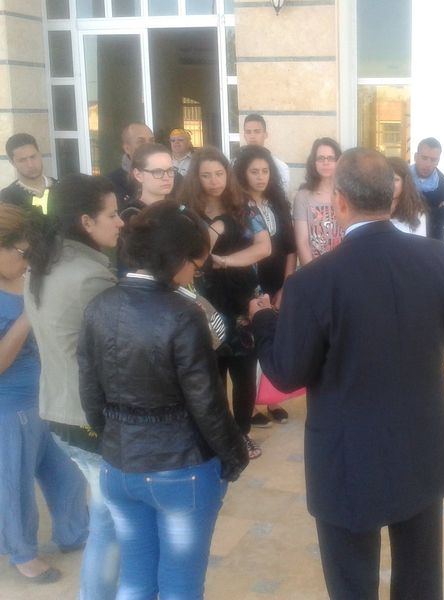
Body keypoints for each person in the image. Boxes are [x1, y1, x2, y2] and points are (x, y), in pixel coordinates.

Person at [251, 147, 444, 600]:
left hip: (348, 458)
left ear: (340, 201)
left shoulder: (312, 282)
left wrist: (263, 321)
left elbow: (287, 372)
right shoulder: (438, 255)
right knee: (420, 580)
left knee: (352, 584)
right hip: (421, 446)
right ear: (391, 197)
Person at [78, 200, 248, 600]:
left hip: (118, 466)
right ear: (176, 258)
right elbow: (206, 401)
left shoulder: (98, 306)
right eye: (195, 264)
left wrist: (115, 437)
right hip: (179, 469)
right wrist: (234, 454)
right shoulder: (183, 313)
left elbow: (90, 392)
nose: (195, 273)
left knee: (135, 580)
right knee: (180, 586)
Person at [25, 174, 124, 600]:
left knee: (105, 513)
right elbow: (120, 351)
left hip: (57, 409)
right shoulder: (88, 277)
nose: (120, 222)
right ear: (86, 221)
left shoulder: (44, 263)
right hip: (86, 416)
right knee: (109, 521)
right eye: (112, 214)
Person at [0, 204, 88, 584]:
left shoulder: (30, 276)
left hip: (50, 395)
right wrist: (27, 317)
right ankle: (22, 553)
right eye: (22, 252)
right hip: (10, 405)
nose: (27, 260)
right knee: (14, 484)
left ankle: (74, 531)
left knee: (68, 472)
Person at [179, 147, 268, 459]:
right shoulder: (188, 211)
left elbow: (264, 248)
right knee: (212, 373)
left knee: (245, 371)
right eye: (206, 175)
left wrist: (226, 261)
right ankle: (219, 436)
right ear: (196, 178)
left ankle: (242, 433)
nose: (214, 181)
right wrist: (216, 228)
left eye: (219, 174)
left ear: (228, 175)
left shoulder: (244, 207)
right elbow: (193, 255)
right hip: (205, 300)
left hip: (243, 298)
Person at [233, 145, 297, 427]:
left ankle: (272, 400)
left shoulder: (278, 204)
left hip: (276, 283)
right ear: (243, 173)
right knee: (250, 345)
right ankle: (250, 406)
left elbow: (290, 248)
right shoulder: (236, 207)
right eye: (254, 171)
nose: (260, 177)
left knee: (274, 339)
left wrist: (286, 285)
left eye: (265, 171)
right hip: (248, 284)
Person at [293, 137, 343, 266]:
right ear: (313, 162)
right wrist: (312, 273)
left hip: (344, 267)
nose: (325, 162)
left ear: (339, 161)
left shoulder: (347, 194)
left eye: (331, 158)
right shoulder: (303, 196)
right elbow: (302, 242)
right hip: (315, 268)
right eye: (320, 158)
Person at [411, 138, 444, 240]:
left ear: (438, 161)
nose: (428, 164)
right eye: (424, 158)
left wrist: (413, 209)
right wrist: (435, 210)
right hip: (405, 239)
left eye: (433, 160)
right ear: (416, 157)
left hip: (434, 241)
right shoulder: (403, 178)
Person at [0, 133, 56, 214]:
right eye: (22, 160)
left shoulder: (60, 186)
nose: (30, 165)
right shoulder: (8, 197)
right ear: (12, 162)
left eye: (33, 157)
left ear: (40, 155)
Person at [105, 122, 156, 204]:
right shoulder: (111, 183)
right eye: (141, 142)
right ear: (127, 148)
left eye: (152, 141)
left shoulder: (169, 177)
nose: (148, 146)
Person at [241, 114, 290, 191]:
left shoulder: (280, 167)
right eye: (248, 132)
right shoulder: (234, 164)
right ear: (244, 135)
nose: (252, 136)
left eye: (257, 131)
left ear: (265, 135)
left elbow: (282, 195)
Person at [388, 156, 427, 236]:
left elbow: (420, 241)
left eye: (395, 179)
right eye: (386, 178)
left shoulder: (415, 212)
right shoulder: (372, 209)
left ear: (405, 182)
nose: (390, 184)